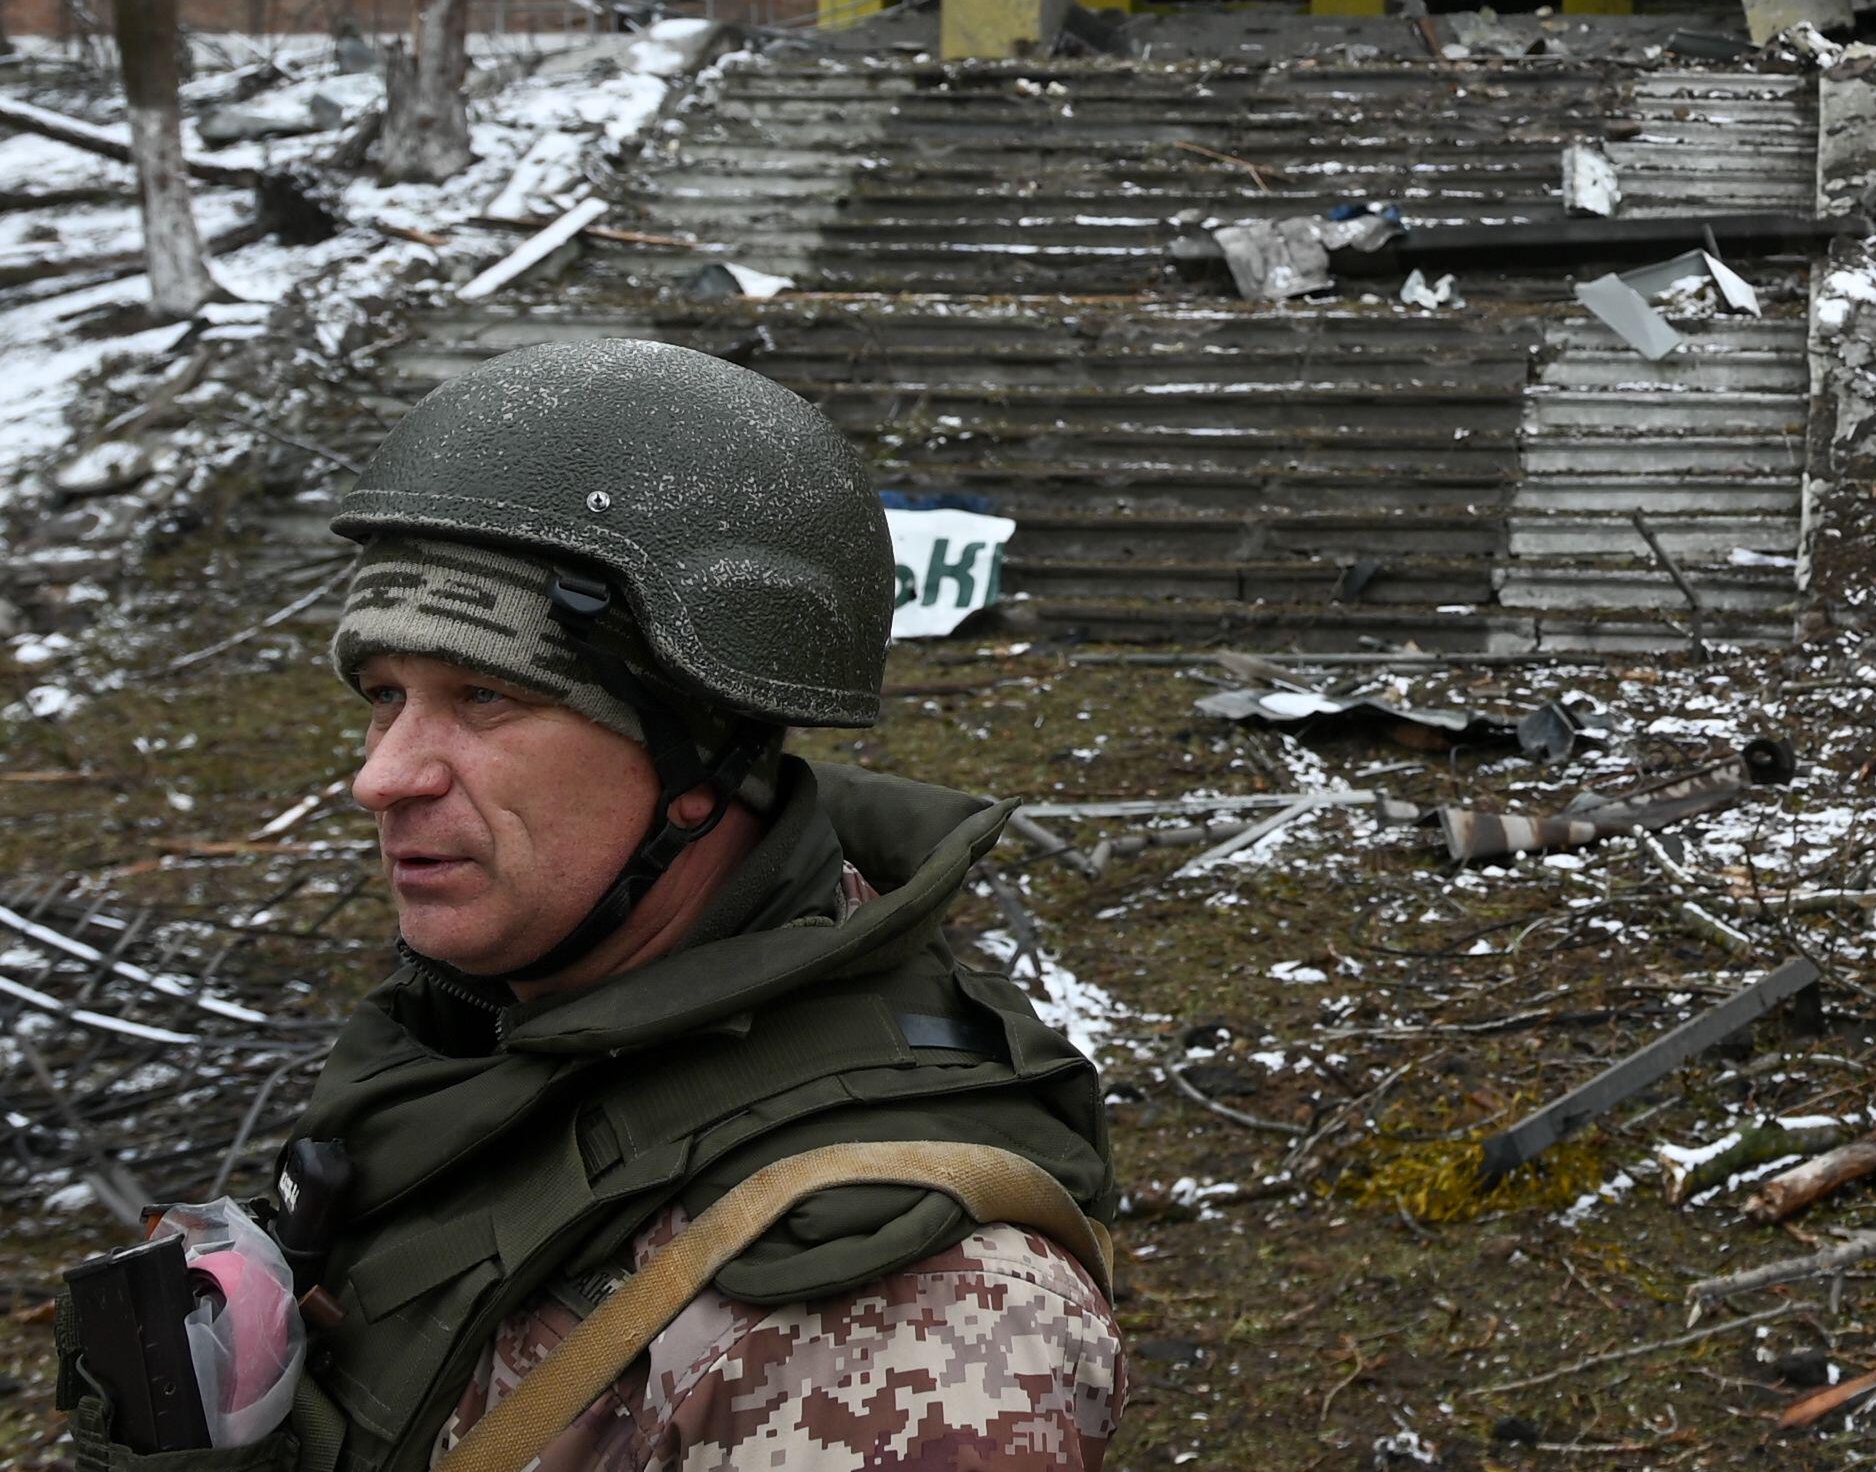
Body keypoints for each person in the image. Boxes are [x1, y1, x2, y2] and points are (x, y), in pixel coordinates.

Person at [60, 339, 1120, 1472]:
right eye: (384, 696)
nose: (383, 775)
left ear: (701, 756)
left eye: (486, 696)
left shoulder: (899, 1323)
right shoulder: (477, 1060)